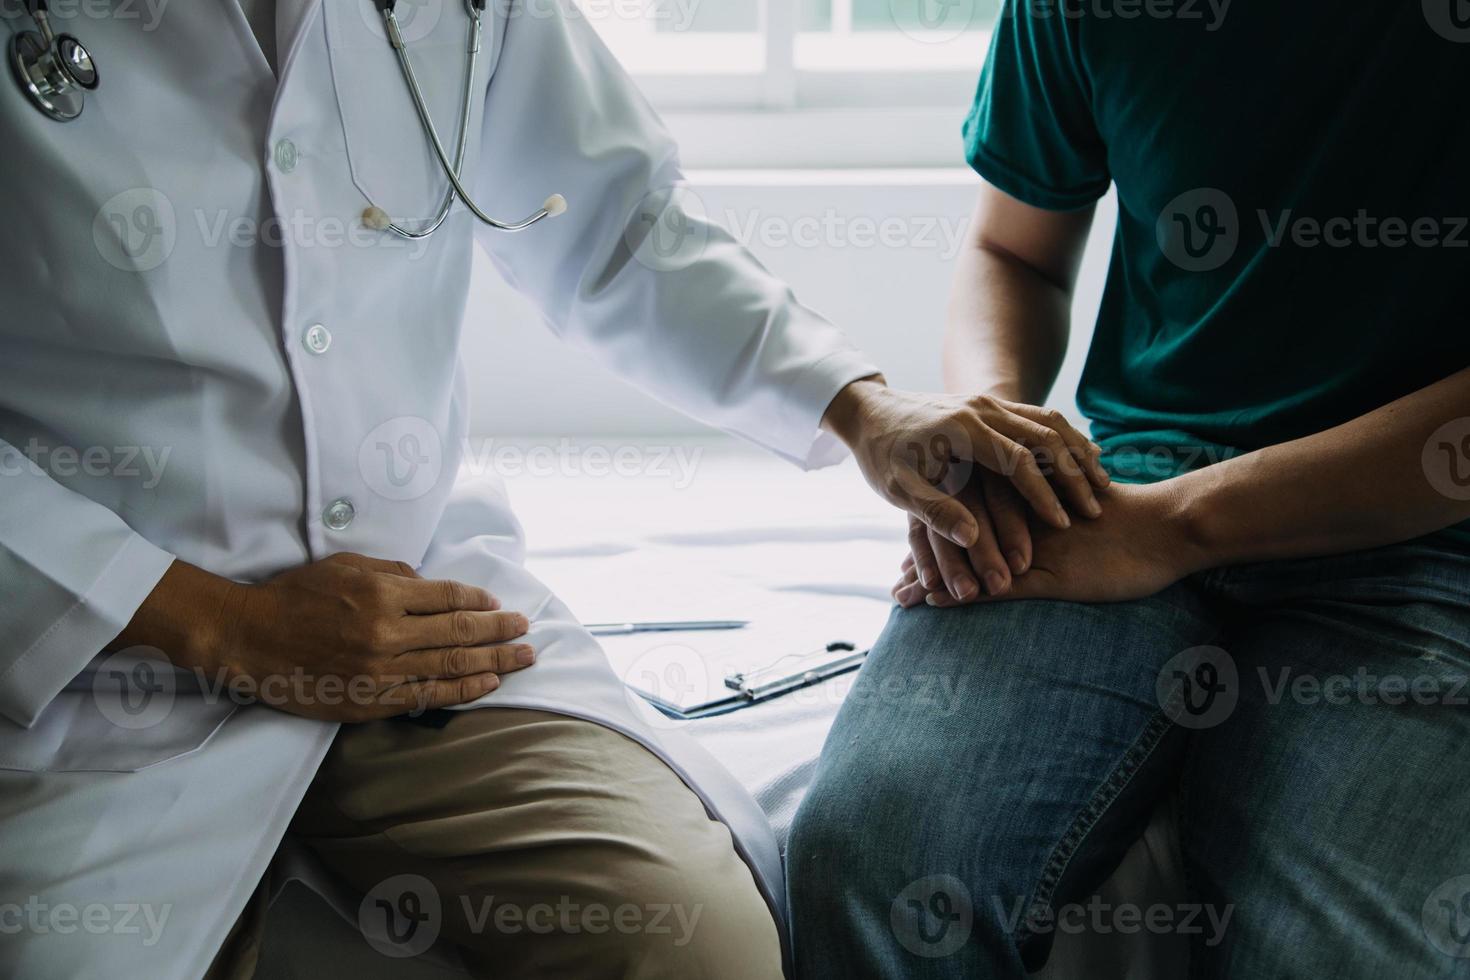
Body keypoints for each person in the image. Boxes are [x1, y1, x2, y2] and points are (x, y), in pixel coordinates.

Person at [0, 1, 1110, 977]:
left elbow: (622, 231)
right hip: (104, 658)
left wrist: (860, 407)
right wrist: (224, 623)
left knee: (698, 945)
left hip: (427, 621)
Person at [787, 0, 1470, 977]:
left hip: (1425, 542)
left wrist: (1181, 527)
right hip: (1127, 499)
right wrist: (999, 432)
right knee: (870, 865)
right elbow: (1011, 252)